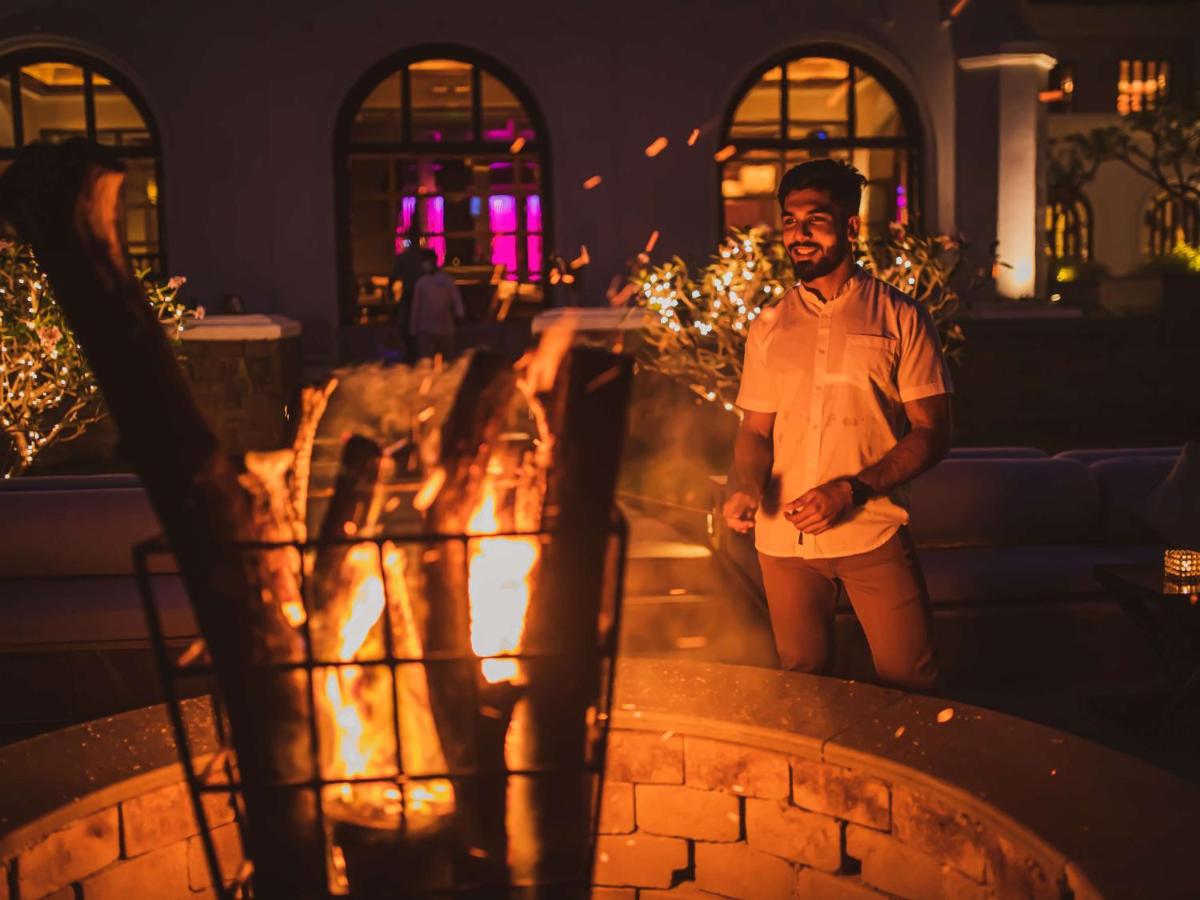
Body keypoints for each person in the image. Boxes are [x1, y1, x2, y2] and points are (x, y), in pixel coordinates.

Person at [722, 159, 953, 693]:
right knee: (803, 686)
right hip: (783, 544)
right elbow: (756, 432)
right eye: (789, 221)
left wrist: (849, 491)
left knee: (912, 683)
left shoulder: (901, 317)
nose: (798, 234)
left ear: (850, 227)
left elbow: (933, 432)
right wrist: (747, 486)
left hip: (872, 533)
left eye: (815, 219)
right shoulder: (769, 325)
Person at [409, 248, 465, 360]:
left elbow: (456, 300)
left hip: (445, 328)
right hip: (425, 329)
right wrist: (413, 328)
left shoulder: (447, 280)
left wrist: (460, 315)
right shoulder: (421, 282)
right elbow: (416, 307)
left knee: (448, 362)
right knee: (425, 363)